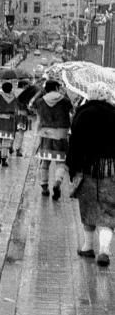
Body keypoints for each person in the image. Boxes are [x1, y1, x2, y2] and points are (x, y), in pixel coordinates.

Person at [66, 81, 115, 266]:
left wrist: (72, 168)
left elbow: (75, 144)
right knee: (108, 210)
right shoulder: (114, 113)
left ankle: (87, 247)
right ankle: (104, 251)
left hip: (87, 169)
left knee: (88, 207)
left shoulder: (83, 113)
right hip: (111, 169)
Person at [32, 79, 73, 200]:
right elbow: (72, 111)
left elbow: (31, 105)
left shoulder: (40, 101)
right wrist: (65, 94)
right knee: (61, 163)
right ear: (56, 88)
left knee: (45, 163)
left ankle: (44, 188)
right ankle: (57, 183)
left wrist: (41, 92)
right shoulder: (65, 100)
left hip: (45, 135)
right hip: (61, 135)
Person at [0, 81, 18, 167]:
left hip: (0, 120)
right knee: (6, 141)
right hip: (10, 120)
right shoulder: (14, 98)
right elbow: (16, 110)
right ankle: (4, 159)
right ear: (11, 89)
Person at [13, 79, 38, 157]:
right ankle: (18, 149)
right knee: (21, 133)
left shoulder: (13, 92)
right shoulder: (26, 94)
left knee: (12, 132)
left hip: (13, 115)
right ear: (24, 85)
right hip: (22, 116)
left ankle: (9, 146)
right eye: (27, 85)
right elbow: (29, 107)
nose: (28, 86)